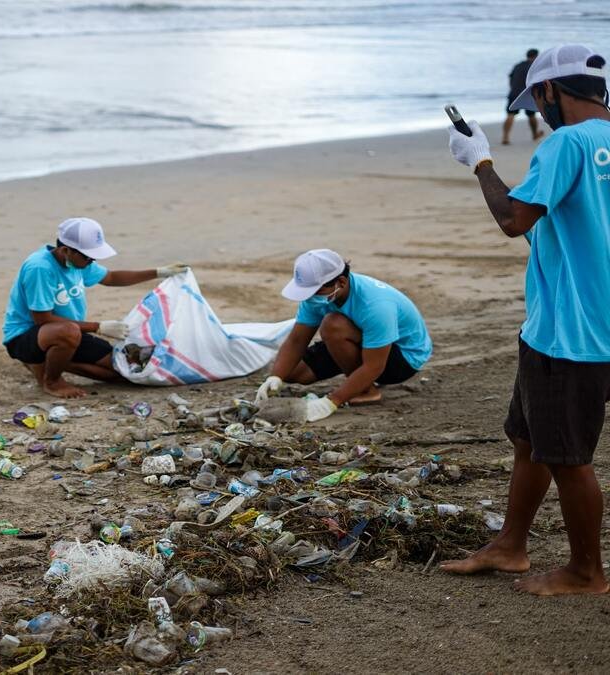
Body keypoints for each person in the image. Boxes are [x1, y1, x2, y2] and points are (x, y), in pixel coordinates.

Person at [444, 44, 610, 596]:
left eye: (538, 103)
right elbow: (572, 222)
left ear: (548, 92)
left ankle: (586, 571)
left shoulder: (566, 143)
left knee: (566, 454)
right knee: (530, 438)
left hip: (570, 330)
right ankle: (510, 546)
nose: (539, 113)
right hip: (582, 320)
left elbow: (515, 219)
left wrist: (481, 162)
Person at [1, 217, 189, 399]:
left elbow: (112, 278)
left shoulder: (78, 262)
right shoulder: (40, 268)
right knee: (69, 331)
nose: (92, 261)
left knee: (121, 372)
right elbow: (42, 319)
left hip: (67, 333)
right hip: (25, 336)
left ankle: (45, 362)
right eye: (89, 257)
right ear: (66, 250)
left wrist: (158, 272)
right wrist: (98, 327)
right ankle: (51, 381)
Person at [254, 249, 432, 421]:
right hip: (359, 340)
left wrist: (332, 401)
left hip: (403, 357)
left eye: (315, 291)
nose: (310, 298)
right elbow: (297, 340)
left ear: (341, 282)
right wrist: (276, 376)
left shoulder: (377, 306)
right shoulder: (318, 296)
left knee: (333, 325)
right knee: (292, 372)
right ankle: (356, 378)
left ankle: (367, 391)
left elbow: (375, 366)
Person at [503, 49, 544, 145]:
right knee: (531, 115)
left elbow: (511, 78)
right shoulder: (534, 67)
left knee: (510, 114)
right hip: (527, 92)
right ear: (536, 56)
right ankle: (534, 134)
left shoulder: (518, 65)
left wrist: (513, 89)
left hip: (514, 92)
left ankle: (505, 137)